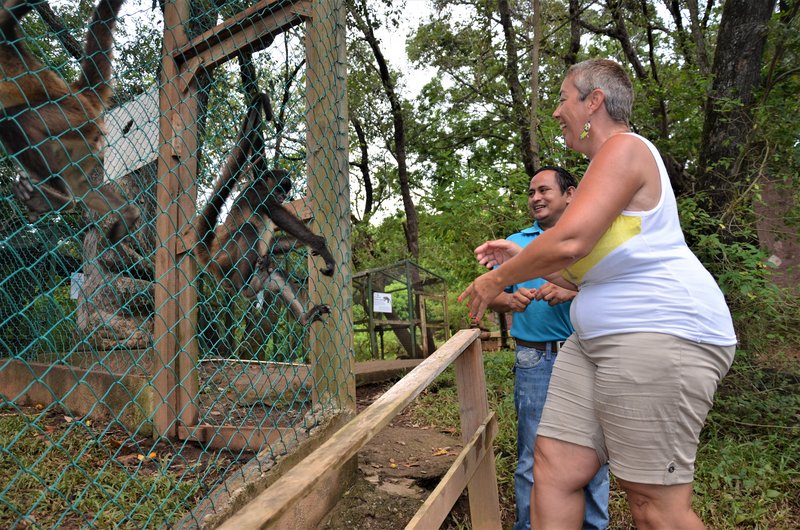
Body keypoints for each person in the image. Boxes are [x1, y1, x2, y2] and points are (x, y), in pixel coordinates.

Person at [459, 59, 736, 529]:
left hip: (659, 329)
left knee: (652, 504)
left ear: (594, 102)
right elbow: (579, 270)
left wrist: (495, 280)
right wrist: (516, 256)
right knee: (554, 469)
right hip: (592, 342)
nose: (554, 112)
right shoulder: (598, 177)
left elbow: (570, 241)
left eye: (563, 98)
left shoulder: (625, 148)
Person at [484, 166, 609, 530]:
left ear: (570, 194)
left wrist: (571, 290)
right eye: (531, 192)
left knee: (593, 452)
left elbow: (615, 288)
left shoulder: (591, 237)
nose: (535, 198)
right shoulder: (515, 242)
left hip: (587, 355)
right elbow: (493, 297)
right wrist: (511, 301)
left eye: (544, 190)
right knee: (532, 454)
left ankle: (593, 526)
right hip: (533, 358)